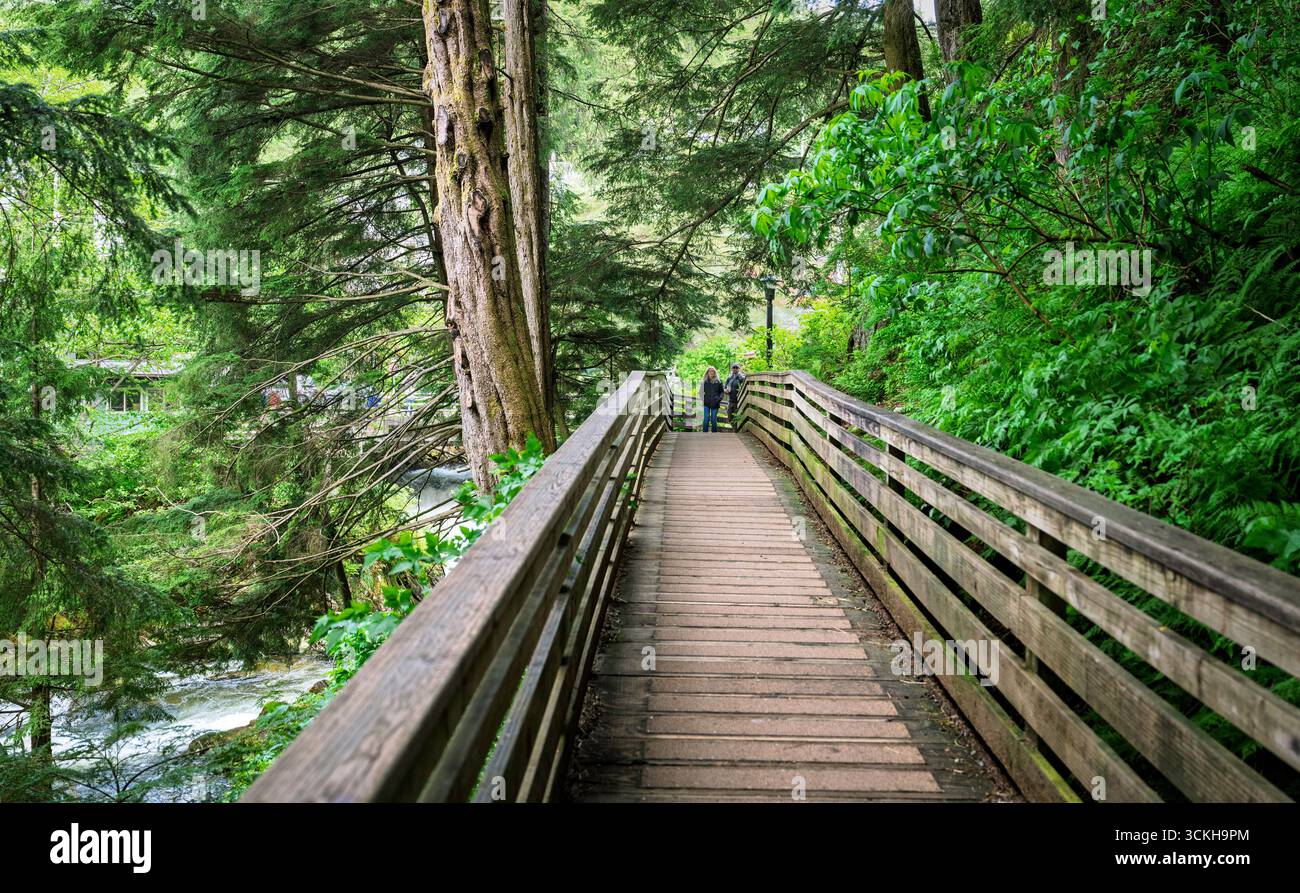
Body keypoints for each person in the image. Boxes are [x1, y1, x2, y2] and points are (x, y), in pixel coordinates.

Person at [699, 366, 723, 433]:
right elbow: (700, 392)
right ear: (707, 373)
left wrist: (719, 399)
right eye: (710, 371)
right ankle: (705, 433)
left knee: (713, 419)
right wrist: (703, 399)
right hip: (706, 403)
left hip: (715, 403)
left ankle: (714, 434)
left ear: (715, 372)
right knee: (706, 418)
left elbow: (722, 392)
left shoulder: (718, 381)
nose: (712, 372)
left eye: (713, 371)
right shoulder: (704, 382)